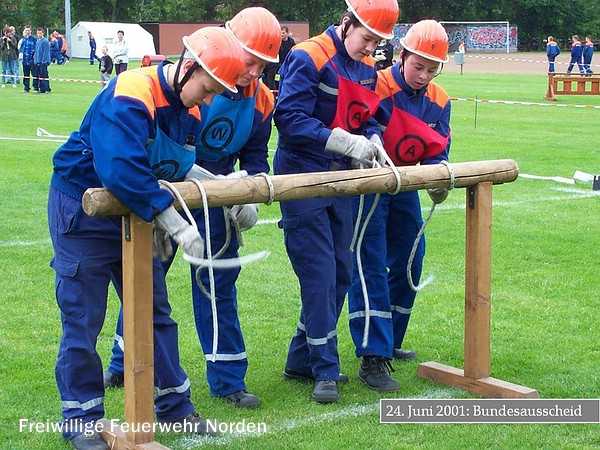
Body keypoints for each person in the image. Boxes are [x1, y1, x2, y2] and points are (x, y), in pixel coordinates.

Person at [47, 26, 245, 450]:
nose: (207, 102)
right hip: (84, 209)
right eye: (207, 90)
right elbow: (122, 170)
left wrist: (224, 193)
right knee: (83, 317)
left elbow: (176, 166)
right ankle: (81, 418)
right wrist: (173, 223)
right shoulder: (132, 89)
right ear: (188, 67)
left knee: (155, 311)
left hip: (133, 213)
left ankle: (174, 405)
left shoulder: (189, 109)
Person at [105, 7, 282, 410]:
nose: (254, 72)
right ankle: (122, 361)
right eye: (250, 59)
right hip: (169, 189)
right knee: (145, 279)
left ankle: (228, 378)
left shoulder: (263, 100)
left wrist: (247, 192)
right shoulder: (194, 85)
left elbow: (256, 157)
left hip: (217, 197)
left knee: (218, 285)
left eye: (263, 65)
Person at [273, 0, 399, 404]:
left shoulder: (367, 67)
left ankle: (300, 359)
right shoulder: (307, 55)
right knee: (320, 275)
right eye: (367, 39)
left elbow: (372, 116)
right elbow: (288, 118)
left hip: (340, 179)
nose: (370, 50)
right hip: (301, 177)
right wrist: (343, 140)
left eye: (378, 43)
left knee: (342, 273)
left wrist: (374, 137)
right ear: (347, 24)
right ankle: (325, 368)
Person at [348, 19, 452, 393]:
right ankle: (372, 356)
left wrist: (440, 178)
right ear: (402, 55)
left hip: (406, 186)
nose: (423, 75)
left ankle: (389, 338)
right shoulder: (375, 83)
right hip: (370, 185)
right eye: (417, 65)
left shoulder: (440, 100)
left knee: (412, 258)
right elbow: (362, 128)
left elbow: (440, 150)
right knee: (370, 264)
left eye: (432, 68)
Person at [263, 25, 295, 93]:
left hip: (286, 65)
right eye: (280, 33)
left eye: (283, 33)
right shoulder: (278, 41)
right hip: (277, 65)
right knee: (274, 80)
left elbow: (293, 52)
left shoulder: (291, 42)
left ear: (287, 33)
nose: (282, 34)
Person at [19, 25, 37, 92]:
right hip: (24, 60)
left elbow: (36, 49)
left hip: (31, 60)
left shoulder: (34, 39)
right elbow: (21, 49)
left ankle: (35, 88)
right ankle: (26, 88)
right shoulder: (23, 39)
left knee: (34, 74)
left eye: (28, 30)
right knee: (26, 75)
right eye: (26, 30)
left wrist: (33, 58)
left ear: (30, 31)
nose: (27, 32)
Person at [34, 27, 51, 94]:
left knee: (44, 75)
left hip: (43, 62)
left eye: (40, 33)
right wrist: (36, 61)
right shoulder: (38, 41)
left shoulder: (45, 41)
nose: (39, 34)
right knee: (39, 76)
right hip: (37, 62)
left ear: (43, 33)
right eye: (38, 33)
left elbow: (45, 52)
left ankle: (47, 89)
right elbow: (36, 52)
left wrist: (44, 62)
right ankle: (42, 89)